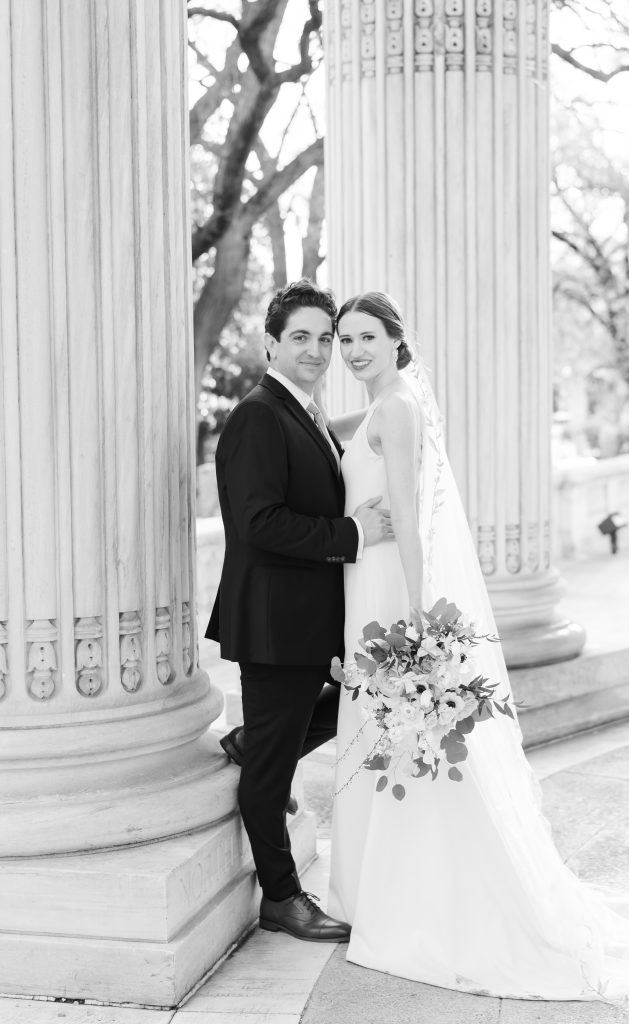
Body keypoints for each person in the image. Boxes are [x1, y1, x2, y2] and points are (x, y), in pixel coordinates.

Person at [325, 290, 629, 1002]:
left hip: (390, 592)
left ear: (397, 340)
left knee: (398, 740)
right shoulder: (387, 401)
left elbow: (410, 517)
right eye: (342, 339)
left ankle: (405, 895)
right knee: (387, 742)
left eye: (366, 336)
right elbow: (324, 428)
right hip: (368, 586)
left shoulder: (394, 408)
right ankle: (379, 884)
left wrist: (422, 627)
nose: (352, 349)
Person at [205, 280, 393, 943]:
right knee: (270, 771)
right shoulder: (259, 415)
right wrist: (353, 534)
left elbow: (320, 464)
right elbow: (259, 523)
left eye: (326, 338)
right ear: (270, 344)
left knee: (350, 709)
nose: (316, 350)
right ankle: (281, 898)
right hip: (274, 622)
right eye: (301, 338)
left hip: (306, 619)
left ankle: (251, 742)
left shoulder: (301, 412)